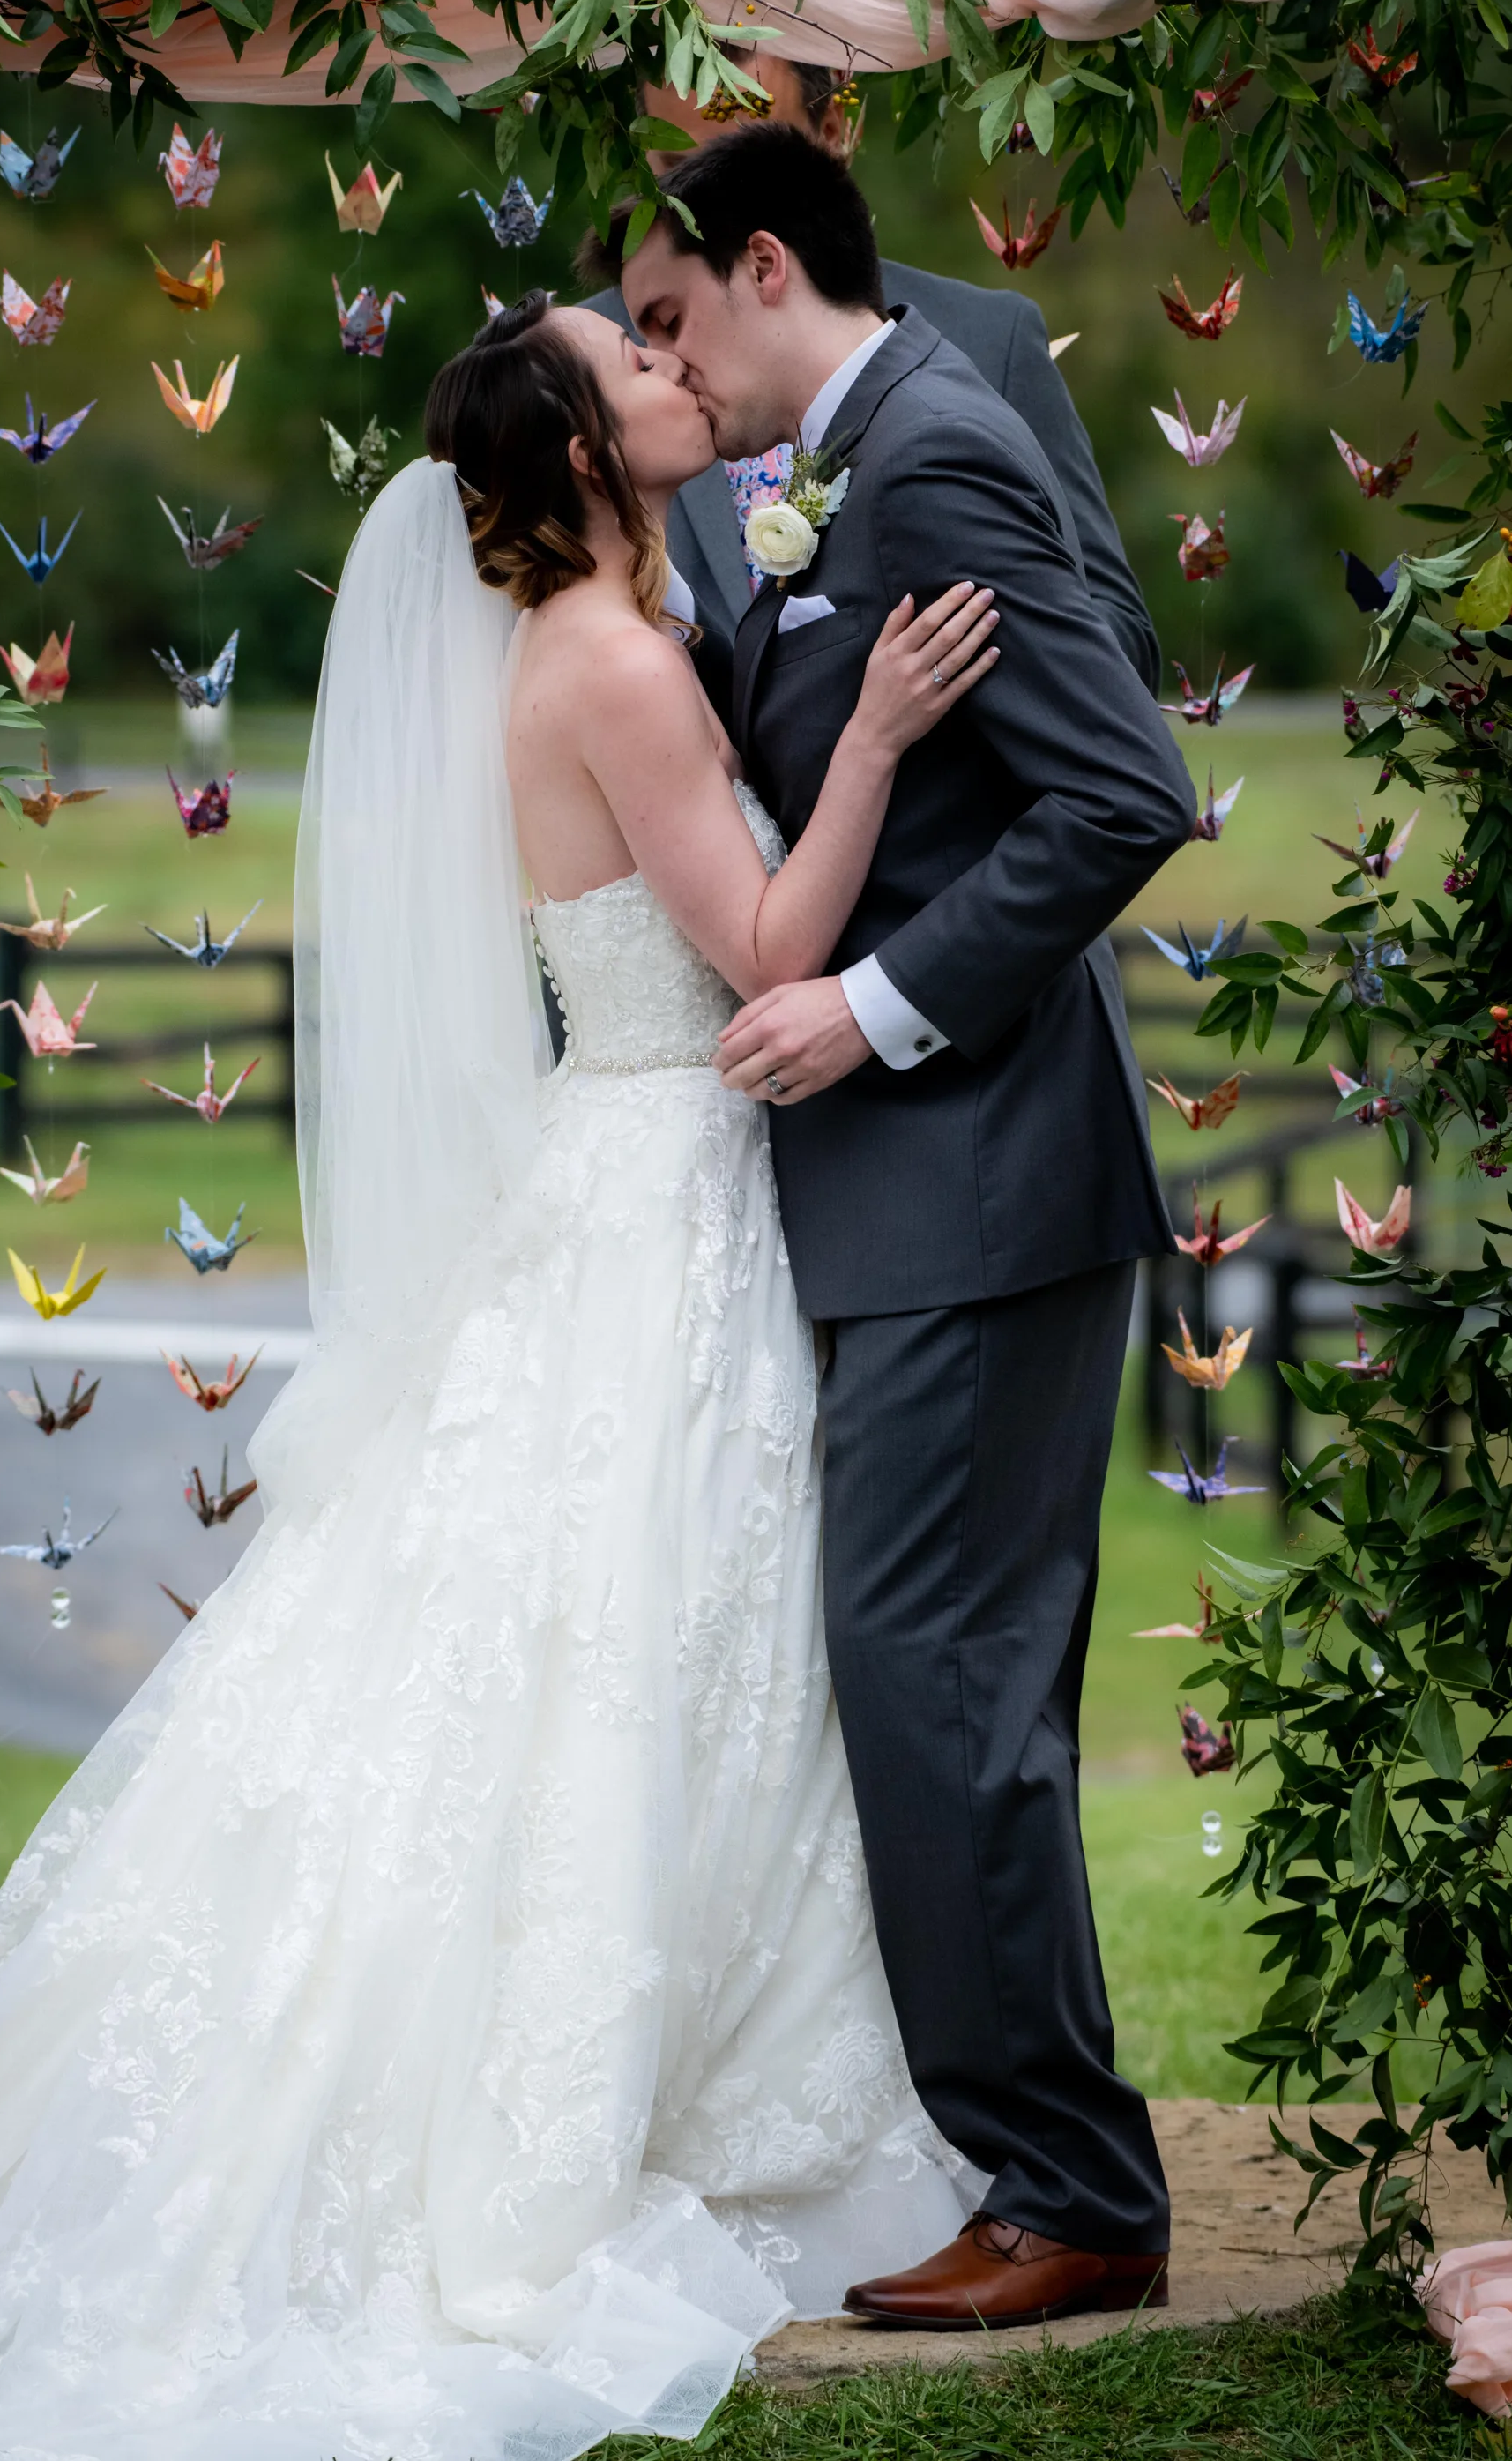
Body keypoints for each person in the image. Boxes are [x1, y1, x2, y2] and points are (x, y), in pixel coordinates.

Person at [0, 299, 1006, 2460]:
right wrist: (886, 737)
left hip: (629, 1178)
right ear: (572, 450)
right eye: (625, 359)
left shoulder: (603, 634)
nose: (663, 360)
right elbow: (768, 955)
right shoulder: (613, 665)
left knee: (619, 1645)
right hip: (657, 1183)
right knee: (621, 1644)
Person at [594, 121, 1195, 2329]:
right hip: (931, 1192)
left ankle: (1063, 2191)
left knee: (935, 1679)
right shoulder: (859, 457)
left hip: (983, 1168)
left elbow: (1122, 784)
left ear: (764, 267)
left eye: (670, 319)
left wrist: (864, 1005)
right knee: (947, 1680)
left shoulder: (926, 451)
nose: (668, 371)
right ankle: (1051, 2169)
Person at [582, 50, 1158, 696]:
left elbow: (1113, 637)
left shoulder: (991, 340)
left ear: (831, 139)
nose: (713, 214)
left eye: (742, 163)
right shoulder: (591, 372)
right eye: (680, 174)